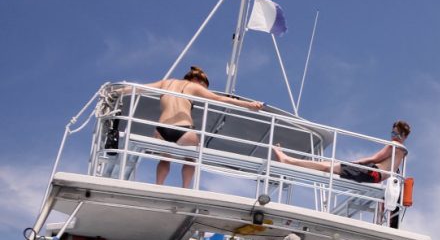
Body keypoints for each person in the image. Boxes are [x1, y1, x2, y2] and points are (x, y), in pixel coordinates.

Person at [121, 66, 264, 188]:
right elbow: (219, 99)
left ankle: (158, 185)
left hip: (161, 129)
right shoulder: (193, 86)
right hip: (183, 129)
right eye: (204, 88)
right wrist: (249, 105)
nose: (202, 91)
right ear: (198, 81)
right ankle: (185, 187)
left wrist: (119, 91)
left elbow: (140, 88)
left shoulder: (165, 82)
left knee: (165, 158)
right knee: (192, 157)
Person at [273, 120, 411, 182]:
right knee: (328, 167)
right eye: (392, 134)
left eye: (397, 134)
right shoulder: (403, 152)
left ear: (404, 136)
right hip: (375, 176)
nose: (393, 137)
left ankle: (288, 160)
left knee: (328, 166)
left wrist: (355, 162)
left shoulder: (394, 145)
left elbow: (374, 159)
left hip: (373, 172)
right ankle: (289, 160)